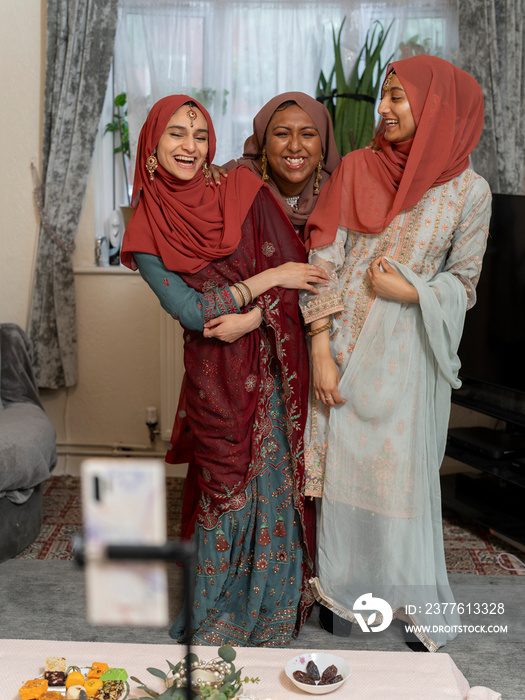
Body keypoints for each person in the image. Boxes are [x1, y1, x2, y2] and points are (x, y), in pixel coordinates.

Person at [298, 55, 491, 651]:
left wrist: (408, 289)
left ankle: (402, 594)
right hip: (345, 348)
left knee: (396, 480)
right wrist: (322, 350)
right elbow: (322, 264)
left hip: (408, 360)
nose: (383, 109)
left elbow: (464, 283)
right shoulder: (357, 167)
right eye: (384, 96)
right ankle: (341, 594)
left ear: (435, 106)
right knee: (343, 474)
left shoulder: (470, 191)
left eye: (397, 98)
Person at [120, 95, 329, 647]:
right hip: (215, 377)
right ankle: (215, 616)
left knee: (274, 485)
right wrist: (269, 276)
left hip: (270, 363)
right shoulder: (145, 228)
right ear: (152, 146)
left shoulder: (240, 188)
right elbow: (191, 311)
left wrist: (251, 314)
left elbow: (298, 281)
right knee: (222, 487)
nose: (190, 146)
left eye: (200, 134)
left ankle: (272, 609)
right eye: (176, 134)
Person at [212, 91, 340, 242]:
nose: (294, 147)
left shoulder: (337, 189)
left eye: (307, 135)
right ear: (264, 143)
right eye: (282, 134)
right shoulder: (235, 180)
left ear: (323, 144)